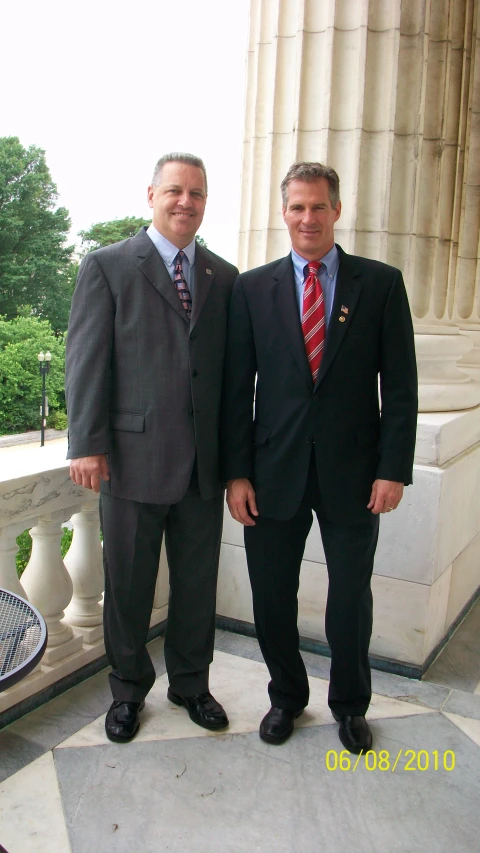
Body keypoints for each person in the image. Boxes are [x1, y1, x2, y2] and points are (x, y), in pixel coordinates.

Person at [221, 162, 417, 754]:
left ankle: (350, 705)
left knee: (351, 596)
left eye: (319, 206)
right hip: (271, 473)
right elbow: (236, 390)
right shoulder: (251, 289)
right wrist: (236, 473)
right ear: (284, 213)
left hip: (356, 476)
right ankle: (286, 697)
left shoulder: (380, 284)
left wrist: (392, 468)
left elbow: (400, 387)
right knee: (271, 593)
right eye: (297, 207)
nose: (308, 218)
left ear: (337, 209)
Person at [66, 153, 238, 743]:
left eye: (196, 192)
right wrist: (86, 443)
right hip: (130, 462)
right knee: (129, 588)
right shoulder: (109, 266)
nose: (185, 201)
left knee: (196, 586)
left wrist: (234, 462)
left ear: (205, 201)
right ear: (152, 195)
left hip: (202, 469)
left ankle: (191, 683)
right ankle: (128, 691)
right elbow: (86, 361)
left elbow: (230, 379)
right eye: (174, 191)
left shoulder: (224, 276)